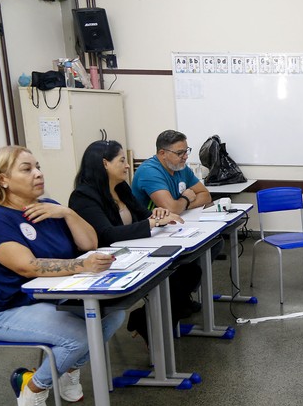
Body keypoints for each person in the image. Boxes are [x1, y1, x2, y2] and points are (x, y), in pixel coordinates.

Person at [0, 146, 126, 406]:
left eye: (38, 166)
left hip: (50, 298)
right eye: (27, 169)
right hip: (6, 309)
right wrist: (81, 265)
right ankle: (33, 386)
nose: (38, 174)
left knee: (113, 315)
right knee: (79, 336)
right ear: (3, 179)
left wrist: (67, 214)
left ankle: (68, 370)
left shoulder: (48, 207)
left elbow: (89, 244)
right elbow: (25, 266)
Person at [69, 140, 203, 344]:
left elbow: (144, 216)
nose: (127, 165)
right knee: (175, 276)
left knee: (189, 270)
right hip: (107, 262)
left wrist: (157, 215)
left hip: (134, 252)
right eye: (122, 160)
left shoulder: (121, 188)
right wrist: (152, 222)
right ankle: (151, 327)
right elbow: (107, 235)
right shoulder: (84, 196)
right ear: (105, 164)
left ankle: (147, 321)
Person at [131, 129, 212, 213]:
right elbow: (171, 209)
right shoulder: (149, 171)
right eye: (180, 153)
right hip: (150, 224)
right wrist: (186, 199)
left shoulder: (180, 167)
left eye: (186, 151)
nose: (185, 157)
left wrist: (182, 206)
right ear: (162, 154)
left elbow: (205, 196)